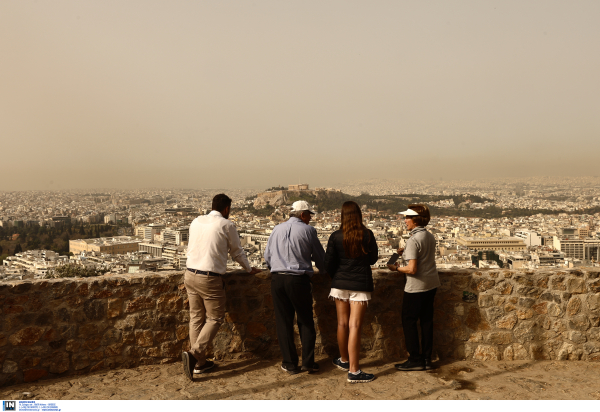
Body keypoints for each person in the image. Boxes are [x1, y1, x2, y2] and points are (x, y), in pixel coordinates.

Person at [182, 193, 261, 381]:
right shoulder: (226, 225)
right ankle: (195, 355)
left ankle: (200, 364)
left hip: (189, 274)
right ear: (226, 209)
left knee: (196, 318)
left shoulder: (196, 221)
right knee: (215, 318)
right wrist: (249, 269)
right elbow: (237, 252)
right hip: (209, 278)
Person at [263, 200, 326, 375]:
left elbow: (267, 256)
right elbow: (320, 258)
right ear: (303, 215)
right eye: (309, 215)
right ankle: (308, 362)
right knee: (305, 320)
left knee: (283, 322)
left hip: (277, 279)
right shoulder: (308, 231)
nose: (310, 219)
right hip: (298, 280)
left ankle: (290, 363)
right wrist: (326, 271)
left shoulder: (276, 229)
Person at [325, 201, 378, 383]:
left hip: (339, 284)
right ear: (359, 215)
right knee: (355, 325)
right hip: (360, 285)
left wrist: (337, 277)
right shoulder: (367, 235)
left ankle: (344, 360)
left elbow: (328, 263)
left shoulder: (335, 236)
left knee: (342, 323)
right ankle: (354, 371)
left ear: (342, 216)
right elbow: (373, 260)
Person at [388, 204, 440, 371]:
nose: (405, 220)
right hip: (431, 284)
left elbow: (411, 269)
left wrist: (395, 268)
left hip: (416, 287)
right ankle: (427, 359)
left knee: (409, 322)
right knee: (426, 322)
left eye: (408, 217)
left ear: (416, 220)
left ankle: (414, 359)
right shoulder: (430, 236)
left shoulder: (413, 240)